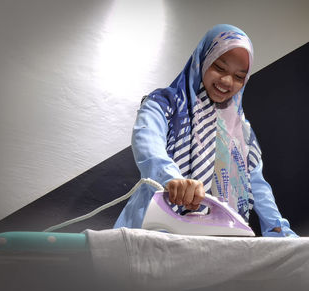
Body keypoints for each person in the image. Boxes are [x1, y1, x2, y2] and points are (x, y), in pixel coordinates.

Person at [114, 24, 297, 237]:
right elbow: (149, 147)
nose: (227, 81)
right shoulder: (164, 104)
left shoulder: (242, 132)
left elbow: (257, 186)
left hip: (214, 243)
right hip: (151, 233)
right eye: (219, 68)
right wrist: (173, 180)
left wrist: (282, 233)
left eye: (239, 77)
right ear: (203, 59)